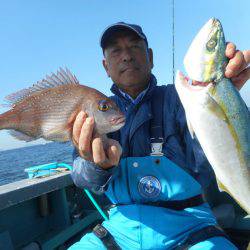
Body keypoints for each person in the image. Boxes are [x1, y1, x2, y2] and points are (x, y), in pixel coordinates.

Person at [69, 22, 250, 249]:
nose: (126, 56)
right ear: (106, 66)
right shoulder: (97, 111)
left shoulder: (185, 97)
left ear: (150, 57)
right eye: (116, 50)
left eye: (135, 46)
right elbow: (79, 176)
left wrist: (224, 96)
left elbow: (213, 145)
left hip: (191, 225)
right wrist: (96, 167)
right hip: (120, 230)